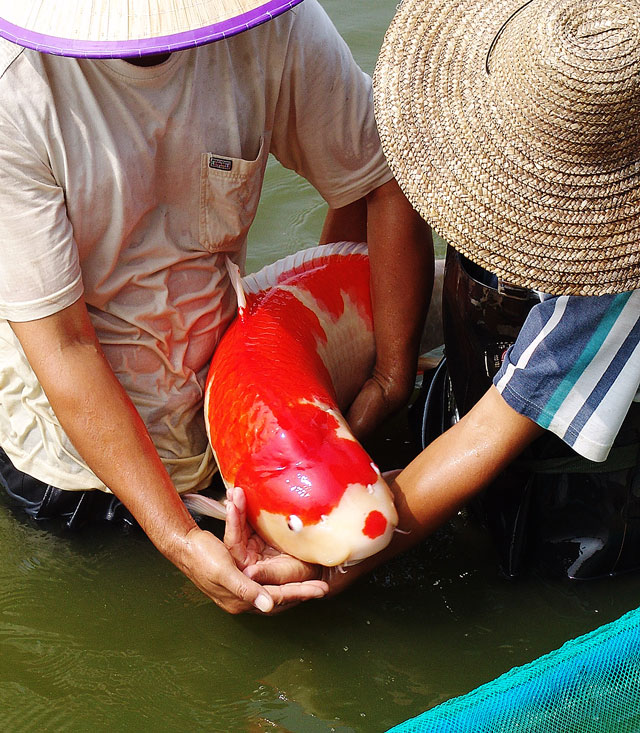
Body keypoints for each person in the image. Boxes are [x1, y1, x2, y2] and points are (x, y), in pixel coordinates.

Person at [0, 0, 433, 613]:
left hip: (230, 402)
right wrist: (177, 537)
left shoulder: (270, 23)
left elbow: (380, 177)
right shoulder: (16, 92)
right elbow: (65, 348)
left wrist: (390, 374)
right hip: (77, 468)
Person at [235, 0, 640, 600]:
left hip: (580, 509)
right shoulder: (546, 96)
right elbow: (366, 188)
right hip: (478, 394)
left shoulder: (615, 287)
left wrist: (337, 560)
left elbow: (492, 432)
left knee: (532, 585)